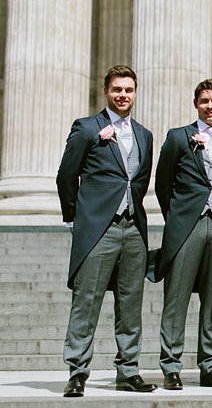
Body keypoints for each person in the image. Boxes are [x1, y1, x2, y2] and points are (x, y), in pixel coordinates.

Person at [56, 65, 156, 397]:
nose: (123, 95)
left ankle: (128, 371)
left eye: (128, 90)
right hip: (98, 229)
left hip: (133, 229)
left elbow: (138, 182)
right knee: (86, 301)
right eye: (117, 90)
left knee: (131, 303)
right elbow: (66, 176)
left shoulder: (145, 135)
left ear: (135, 93)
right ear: (106, 92)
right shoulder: (87, 128)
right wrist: (75, 218)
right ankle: (77, 371)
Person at [150, 79, 212, 390]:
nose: (210, 106)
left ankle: (210, 364)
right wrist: (176, 218)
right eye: (204, 101)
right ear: (196, 103)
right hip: (186, 227)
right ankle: (171, 366)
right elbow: (163, 184)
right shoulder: (178, 138)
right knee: (176, 297)